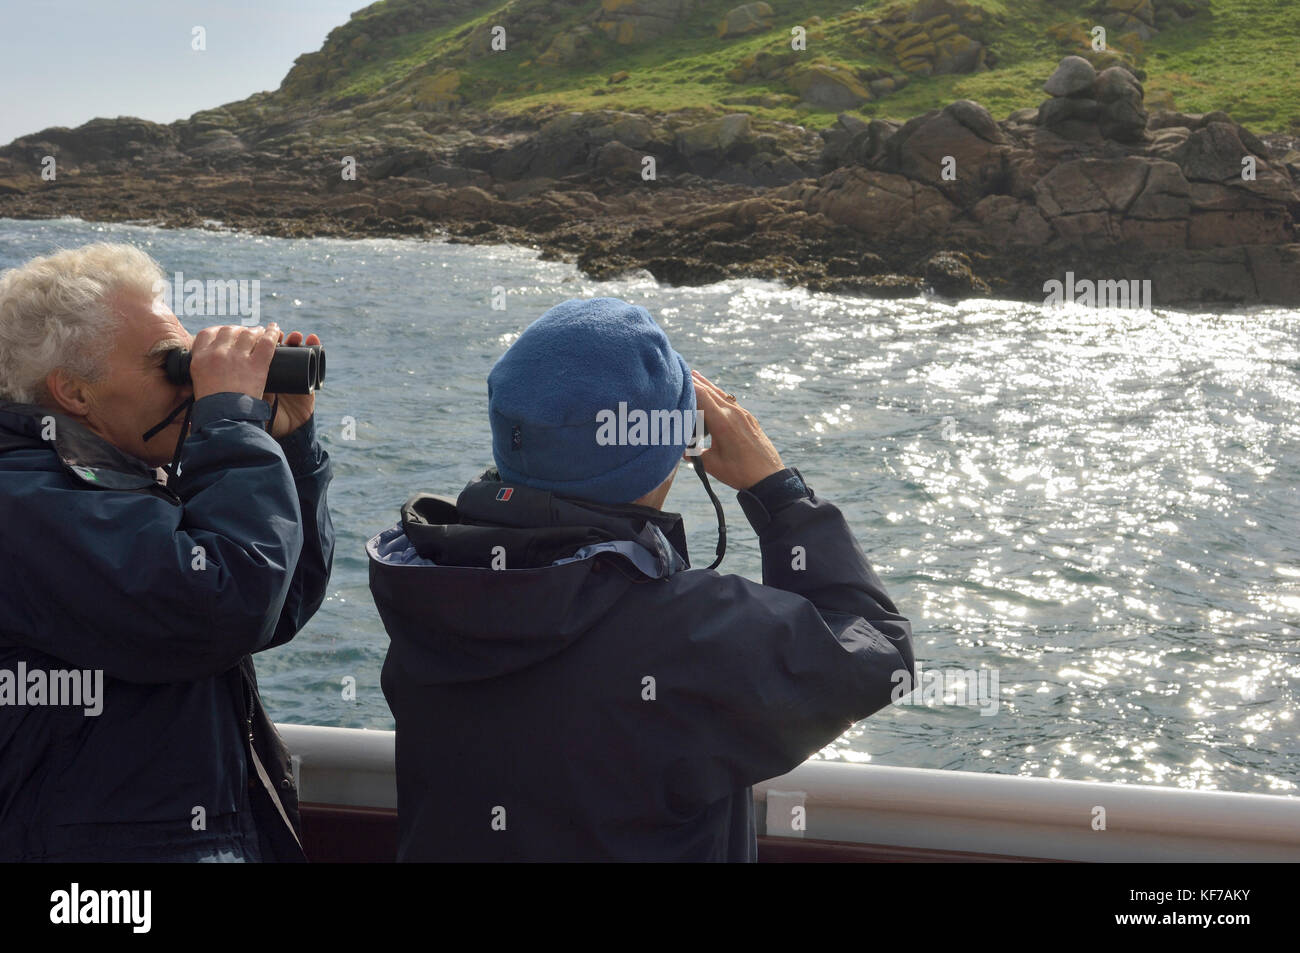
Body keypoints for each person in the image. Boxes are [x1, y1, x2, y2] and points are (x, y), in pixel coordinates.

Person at [368, 296, 913, 861]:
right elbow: (879, 651)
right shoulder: (689, 635)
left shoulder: (427, 585)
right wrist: (779, 493)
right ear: (679, 442)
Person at [0, 242, 333, 861]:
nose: (192, 378)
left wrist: (284, 446)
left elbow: (275, 608)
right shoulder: (24, 501)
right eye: (170, 363)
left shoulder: (117, 478)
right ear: (74, 392)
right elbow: (222, 605)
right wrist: (230, 423)